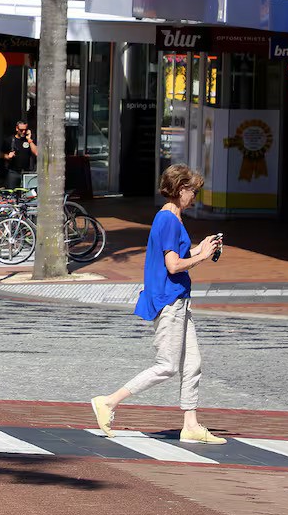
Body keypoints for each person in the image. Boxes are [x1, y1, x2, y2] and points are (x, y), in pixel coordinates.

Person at [91, 164, 226, 444]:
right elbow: (174, 265)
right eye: (193, 191)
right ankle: (109, 402)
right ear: (180, 189)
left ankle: (190, 425)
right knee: (166, 366)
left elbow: (176, 256)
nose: (195, 197)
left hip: (178, 301)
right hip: (169, 302)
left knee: (193, 363)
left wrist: (200, 248)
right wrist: (201, 257)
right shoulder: (168, 220)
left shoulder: (172, 219)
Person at [0, 121, 38, 186]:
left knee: (27, 194)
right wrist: (7, 156)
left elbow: (36, 153)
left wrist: (29, 140)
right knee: (12, 193)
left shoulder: (30, 140)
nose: (23, 132)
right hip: (13, 172)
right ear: (17, 129)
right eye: (21, 130)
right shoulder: (10, 140)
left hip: (27, 172)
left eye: (25, 130)